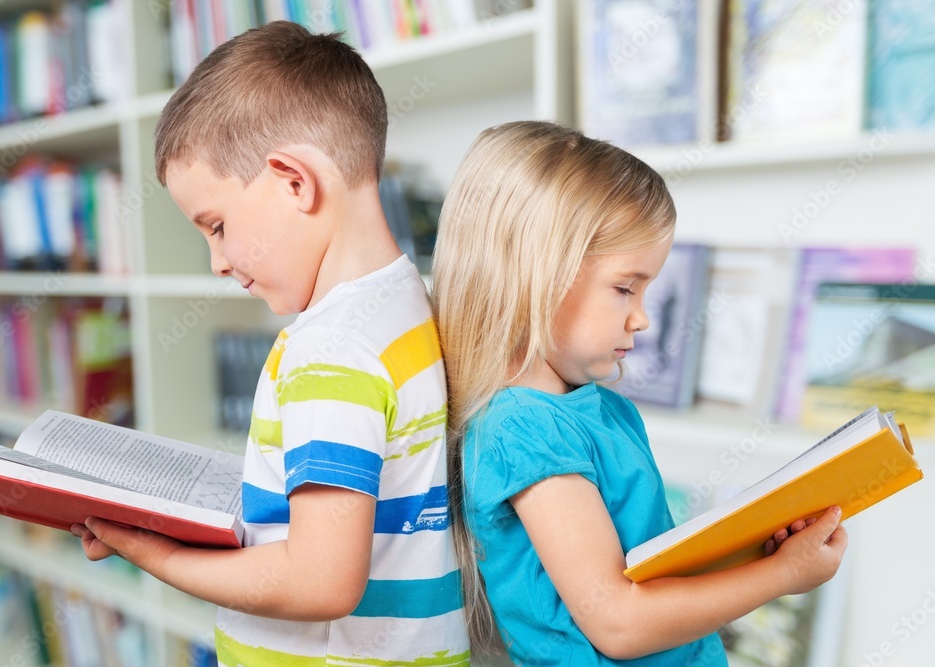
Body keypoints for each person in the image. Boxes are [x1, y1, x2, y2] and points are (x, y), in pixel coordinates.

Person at [70, 22, 469, 666]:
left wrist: (153, 551)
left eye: (217, 226)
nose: (218, 262)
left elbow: (319, 581)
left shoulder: (329, 350)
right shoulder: (406, 302)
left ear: (293, 181)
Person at [430, 120, 847, 665]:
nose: (643, 318)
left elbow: (651, 573)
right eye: (625, 288)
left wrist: (757, 552)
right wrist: (779, 576)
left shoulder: (602, 410)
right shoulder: (521, 428)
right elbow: (619, 623)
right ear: (535, 275)